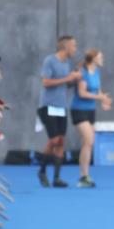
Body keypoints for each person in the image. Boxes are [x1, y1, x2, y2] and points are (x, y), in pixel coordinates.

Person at [37, 35, 80, 187]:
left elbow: (66, 84)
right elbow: (46, 82)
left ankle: (56, 177)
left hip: (61, 107)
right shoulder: (50, 60)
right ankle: (42, 170)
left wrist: (74, 79)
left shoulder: (68, 63)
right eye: (73, 46)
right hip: (48, 106)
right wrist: (68, 78)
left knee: (61, 141)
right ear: (66, 46)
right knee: (53, 140)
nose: (75, 49)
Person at [69, 48, 111, 188]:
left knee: (87, 143)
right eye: (100, 57)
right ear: (93, 59)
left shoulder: (96, 72)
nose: (102, 59)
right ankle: (83, 176)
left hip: (90, 111)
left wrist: (104, 100)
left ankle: (84, 175)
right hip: (78, 110)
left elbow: (97, 91)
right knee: (89, 140)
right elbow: (82, 93)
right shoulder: (83, 73)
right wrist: (100, 97)